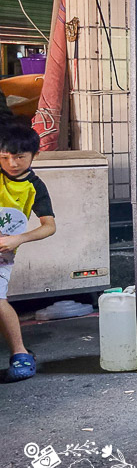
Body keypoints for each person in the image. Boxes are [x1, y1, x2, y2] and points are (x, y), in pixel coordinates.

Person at [0, 120, 56, 382]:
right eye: (5, 157)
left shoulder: (35, 187)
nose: (12, 163)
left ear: (35, 155)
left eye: (19, 157)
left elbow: (49, 227)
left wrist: (18, 239)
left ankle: (21, 354)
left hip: (3, 253)